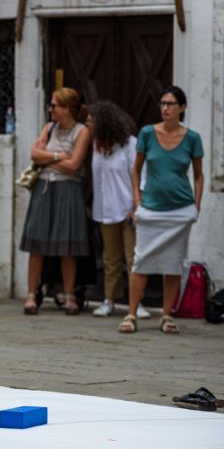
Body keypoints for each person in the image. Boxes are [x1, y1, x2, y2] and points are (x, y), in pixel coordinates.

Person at [118, 86, 204, 334]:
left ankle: (167, 315)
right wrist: (137, 201)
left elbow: (198, 175)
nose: (165, 108)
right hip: (151, 207)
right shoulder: (147, 133)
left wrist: (196, 204)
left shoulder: (192, 138)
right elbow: (135, 169)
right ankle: (131, 313)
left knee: (173, 263)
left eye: (171, 103)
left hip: (180, 209)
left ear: (182, 108)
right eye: (163, 103)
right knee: (141, 260)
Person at [20, 87, 91, 315]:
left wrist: (47, 159)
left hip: (68, 189)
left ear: (67, 108)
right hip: (44, 187)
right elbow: (34, 154)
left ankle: (69, 295)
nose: (50, 109)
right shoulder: (49, 128)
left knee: (66, 245)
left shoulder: (82, 132)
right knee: (37, 243)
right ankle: (31, 294)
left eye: (54, 105)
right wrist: (60, 157)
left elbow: (75, 165)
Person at [87, 101, 150, 319]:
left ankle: (137, 302)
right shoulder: (97, 146)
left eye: (91, 119)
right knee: (110, 258)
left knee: (132, 257)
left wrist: (137, 204)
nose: (88, 122)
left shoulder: (131, 145)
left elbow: (142, 175)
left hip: (127, 208)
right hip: (106, 209)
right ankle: (109, 299)